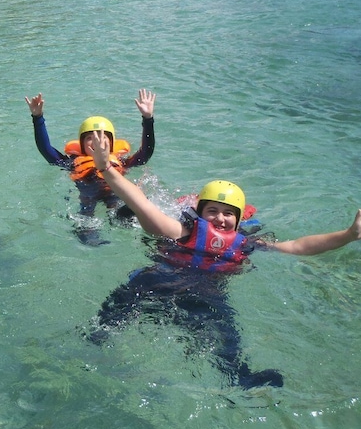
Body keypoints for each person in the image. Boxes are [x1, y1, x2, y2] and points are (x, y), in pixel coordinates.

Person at [83, 130, 361, 388]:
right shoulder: (180, 232)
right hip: (158, 280)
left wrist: (348, 235)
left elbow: (299, 246)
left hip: (205, 295)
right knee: (121, 300)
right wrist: (107, 168)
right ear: (199, 214)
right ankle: (92, 342)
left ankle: (239, 375)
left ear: (239, 219)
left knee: (228, 334)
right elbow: (140, 202)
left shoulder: (246, 244)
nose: (220, 218)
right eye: (212, 210)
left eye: (228, 213)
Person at [25, 89, 156, 244]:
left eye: (102, 137)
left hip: (115, 195)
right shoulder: (72, 163)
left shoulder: (122, 162)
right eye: (89, 138)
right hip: (88, 198)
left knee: (127, 211)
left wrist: (148, 119)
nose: (96, 141)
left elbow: (146, 153)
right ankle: (88, 234)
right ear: (81, 144)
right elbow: (46, 150)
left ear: (112, 143)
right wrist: (37, 118)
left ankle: (126, 218)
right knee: (86, 227)